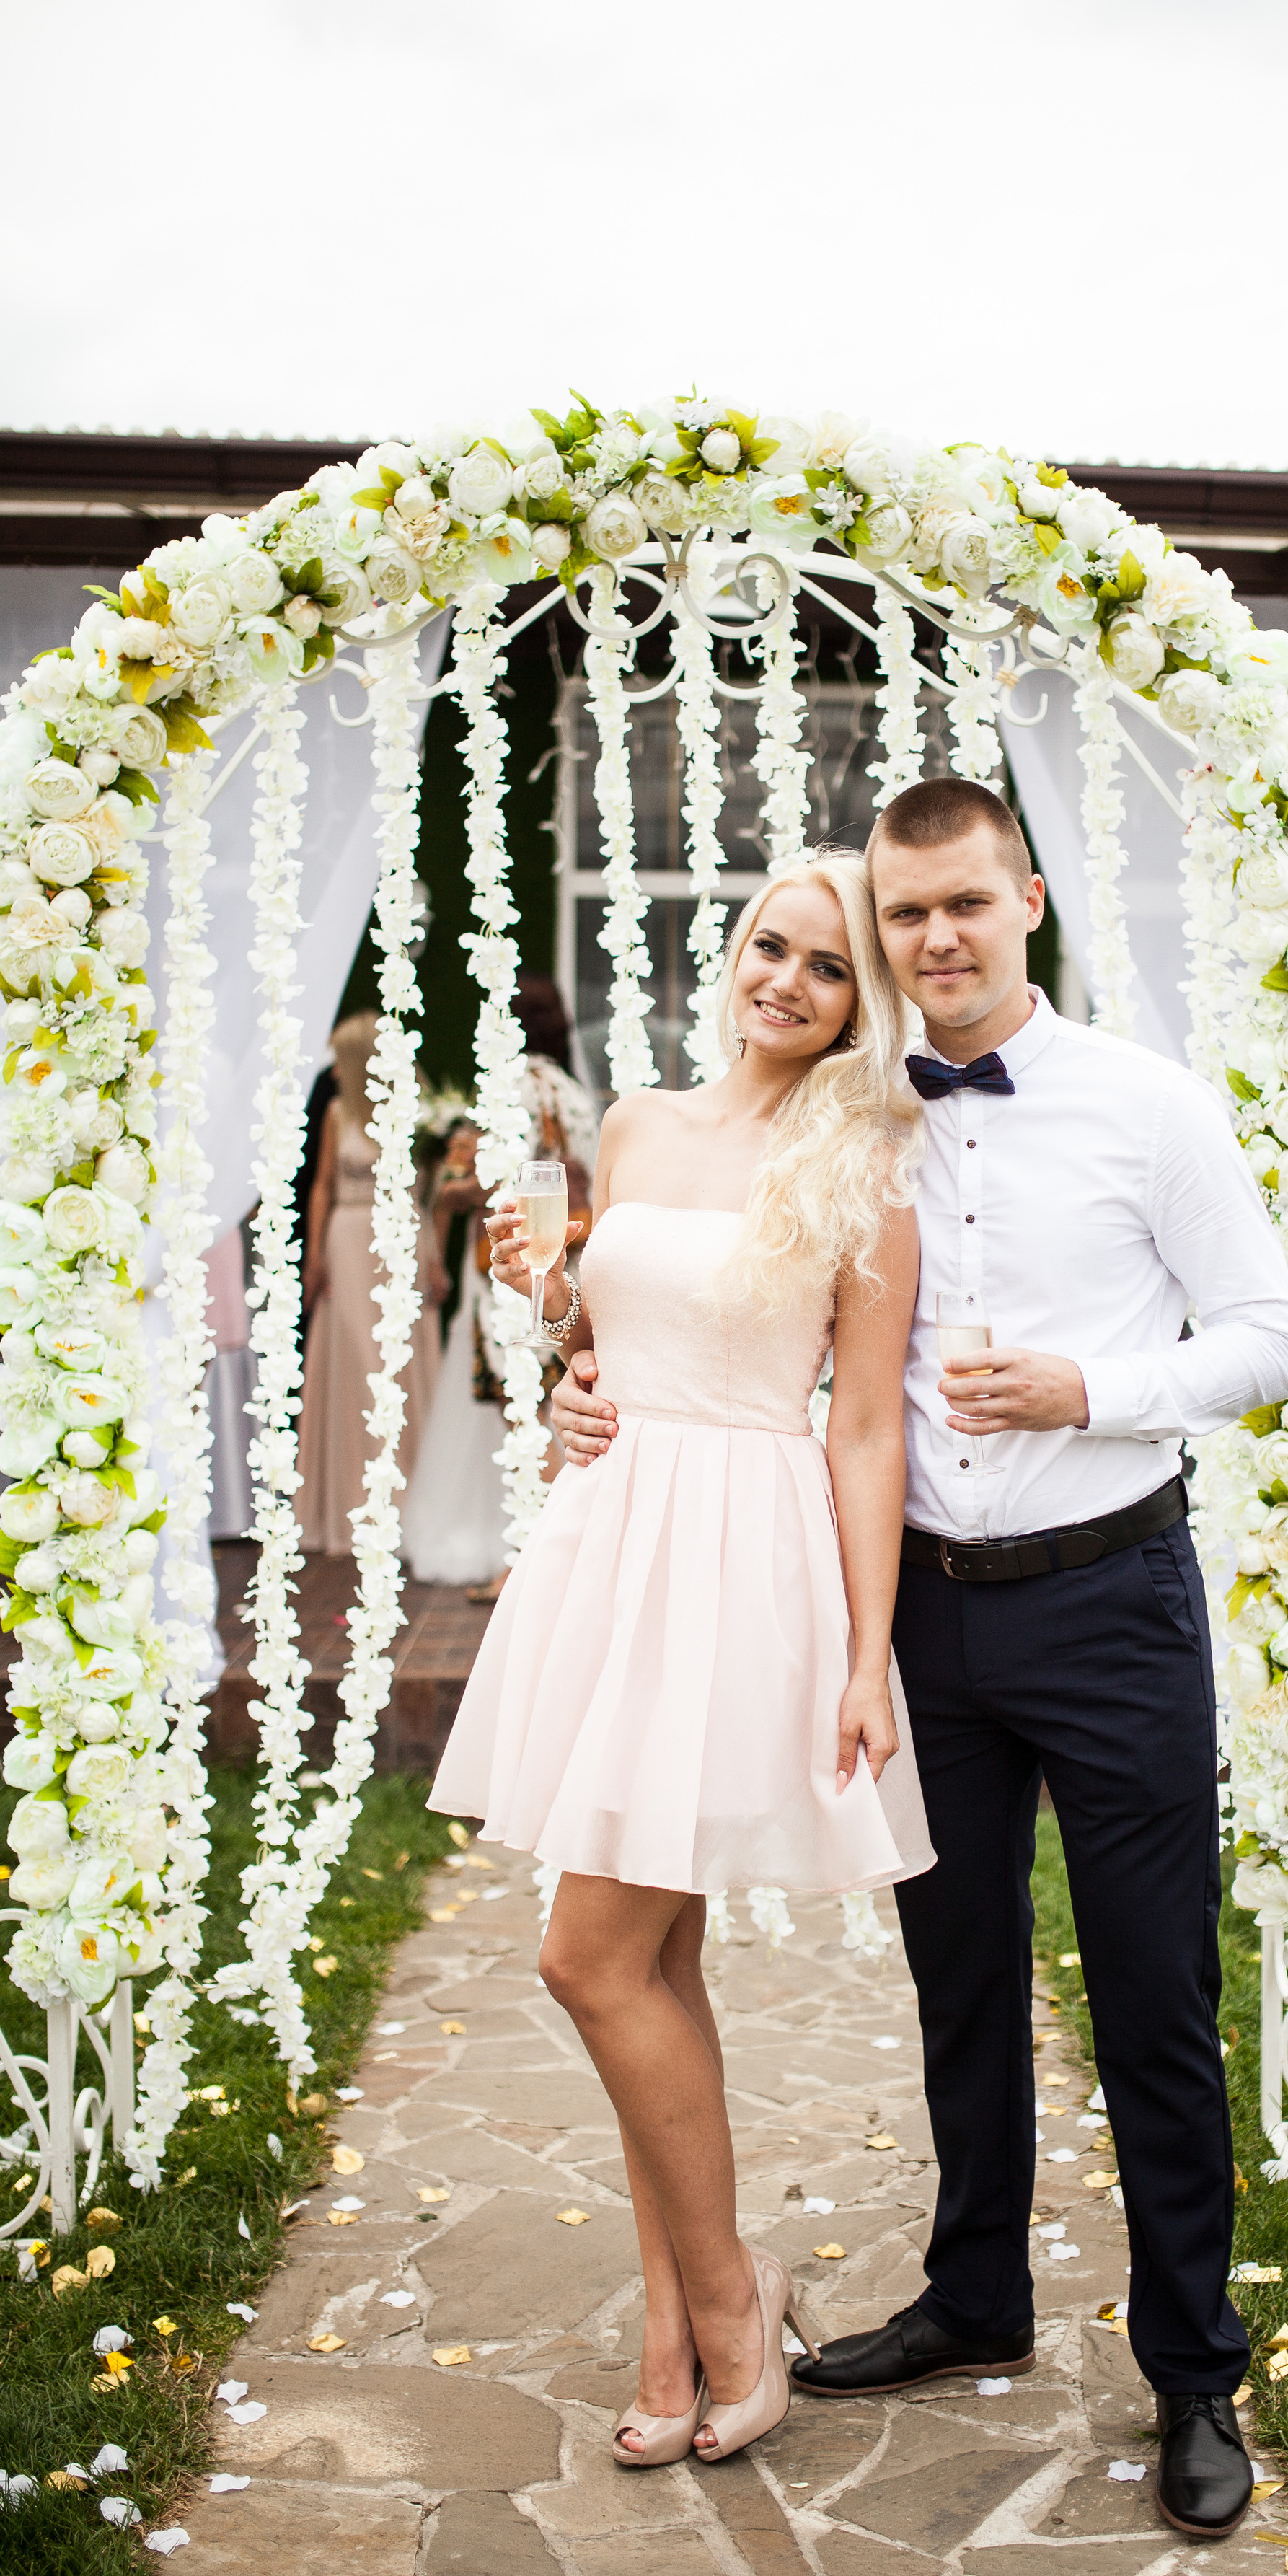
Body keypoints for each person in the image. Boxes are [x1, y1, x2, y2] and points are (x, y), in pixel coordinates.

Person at [545, 778, 1288, 2540]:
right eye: (905, 917)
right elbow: (749, 1330)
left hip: (1108, 1594)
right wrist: (595, 1373)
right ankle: (974, 2296)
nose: (934, 939)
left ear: (1025, 897)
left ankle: (1194, 2369)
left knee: (1148, 1995)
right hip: (916, 1613)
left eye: (963, 904)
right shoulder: (848, 1118)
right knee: (954, 1980)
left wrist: (1091, 1390)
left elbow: (1268, 1333)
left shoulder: (1146, 1104)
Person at [434, 856, 935, 2471]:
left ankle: (727, 2297)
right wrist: (562, 1342)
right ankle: (676, 2329)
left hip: (742, 1557)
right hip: (613, 1536)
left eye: (827, 966)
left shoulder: (863, 1162)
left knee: (587, 1959)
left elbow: (859, 1423)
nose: (785, 979)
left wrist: (866, 1656)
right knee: (652, 1963)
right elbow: (607, 1334)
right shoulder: (639, 1123)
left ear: (863, 1000)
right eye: (766, 946)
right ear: (732, 953)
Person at [400, 975, 601, 1594]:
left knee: (524, 1413)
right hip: (570, 1260)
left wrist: (450, 1186)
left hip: (513, 1268)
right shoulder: (573, 1095)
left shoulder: (506, 1091)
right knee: (550, 1406)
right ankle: (556, 1550)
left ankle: (525, 1561)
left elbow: (493, 1185)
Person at [294, 1011, 443, 1555]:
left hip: (402, 1239)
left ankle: (411, 1496)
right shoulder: (337, 1114)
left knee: (401, 1364)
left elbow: (430, 1192)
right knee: (357, 1362)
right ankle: (354, 1498)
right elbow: (323, 1186)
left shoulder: (416, 1114)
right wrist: (315, 1256)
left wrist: (433, 1254)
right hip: (350, 1237)